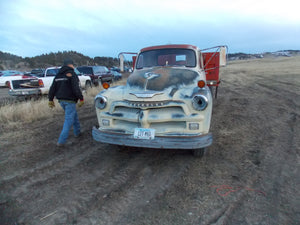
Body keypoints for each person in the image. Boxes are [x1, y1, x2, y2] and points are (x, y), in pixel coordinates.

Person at [48, 59, 84, 147]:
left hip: (61, 100)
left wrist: (50, 99)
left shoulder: (58, 75)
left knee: (73, 115)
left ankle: (77, 132)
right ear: (71, 65)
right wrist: (81, 98)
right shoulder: (72, 74)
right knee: (68, 120)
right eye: (73, 65)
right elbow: (76, 88)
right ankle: (61, 141)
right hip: (70, 100)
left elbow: (52, 88)